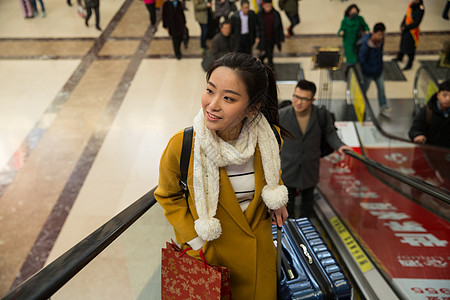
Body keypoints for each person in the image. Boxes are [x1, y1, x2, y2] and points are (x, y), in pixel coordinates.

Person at [155, 53, 289, 299]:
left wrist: (277, 196)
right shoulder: (183, 146)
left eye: (228, 98)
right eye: (210, 90)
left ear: (252, 108)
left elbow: (271, 174)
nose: (212, 104)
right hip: (211, 260)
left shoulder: (269, 139)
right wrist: (196, 241)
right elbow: (168, 195)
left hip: (260, 261)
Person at [279, 79, 352, 218]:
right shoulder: (282, 115)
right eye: (296, 97)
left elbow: (330, 133)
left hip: (310, 166)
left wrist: (340, 146)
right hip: (288, 166)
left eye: (304, 99)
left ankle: (307, 228)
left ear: (312, 99)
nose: (298, 102)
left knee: (308, 201)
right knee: (287, 204)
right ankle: (289, 232)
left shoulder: (320, 115)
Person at [358, 22, 390, 114]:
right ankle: (360, 104)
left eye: (382, 35)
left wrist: (379, 68)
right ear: (374, 33)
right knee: (364, 89)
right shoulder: (366, 44)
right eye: (379, 34)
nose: (381, 37)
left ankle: (383, 106)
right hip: (367, 72)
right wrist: (369, 70)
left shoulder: (381, 42)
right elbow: (362, 60)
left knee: (381, 89)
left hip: (378, 71)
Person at [409, 79, 450, 148]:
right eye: (444, 95)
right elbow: (415, 129)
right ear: (438, 95)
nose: (448, 99)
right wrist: (418, 135)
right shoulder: (428, 111)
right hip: (429, 151)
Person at [392, 0, 424, 70]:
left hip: (412, 31)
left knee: (410, 49)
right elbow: (406, 15)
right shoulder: (411, 5)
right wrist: (402, 24)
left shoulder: (420, 9)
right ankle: (400, 57)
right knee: (403, 43)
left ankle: (410, 63)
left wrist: (406, 27)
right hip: (406, 28)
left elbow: (416, 23)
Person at [256, 0, 284, 69]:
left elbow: (280, 26)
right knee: (269, 53)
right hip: (263, 38)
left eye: (269, 6)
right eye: (266, 6)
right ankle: (270, 66)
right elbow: (257, 27)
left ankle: (264, 63)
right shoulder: (259, 14)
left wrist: (281, 38)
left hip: (272, 38)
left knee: (269, 52)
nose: (268, 8)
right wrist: (257, 37)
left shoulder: (276, 14)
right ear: (263, 6)